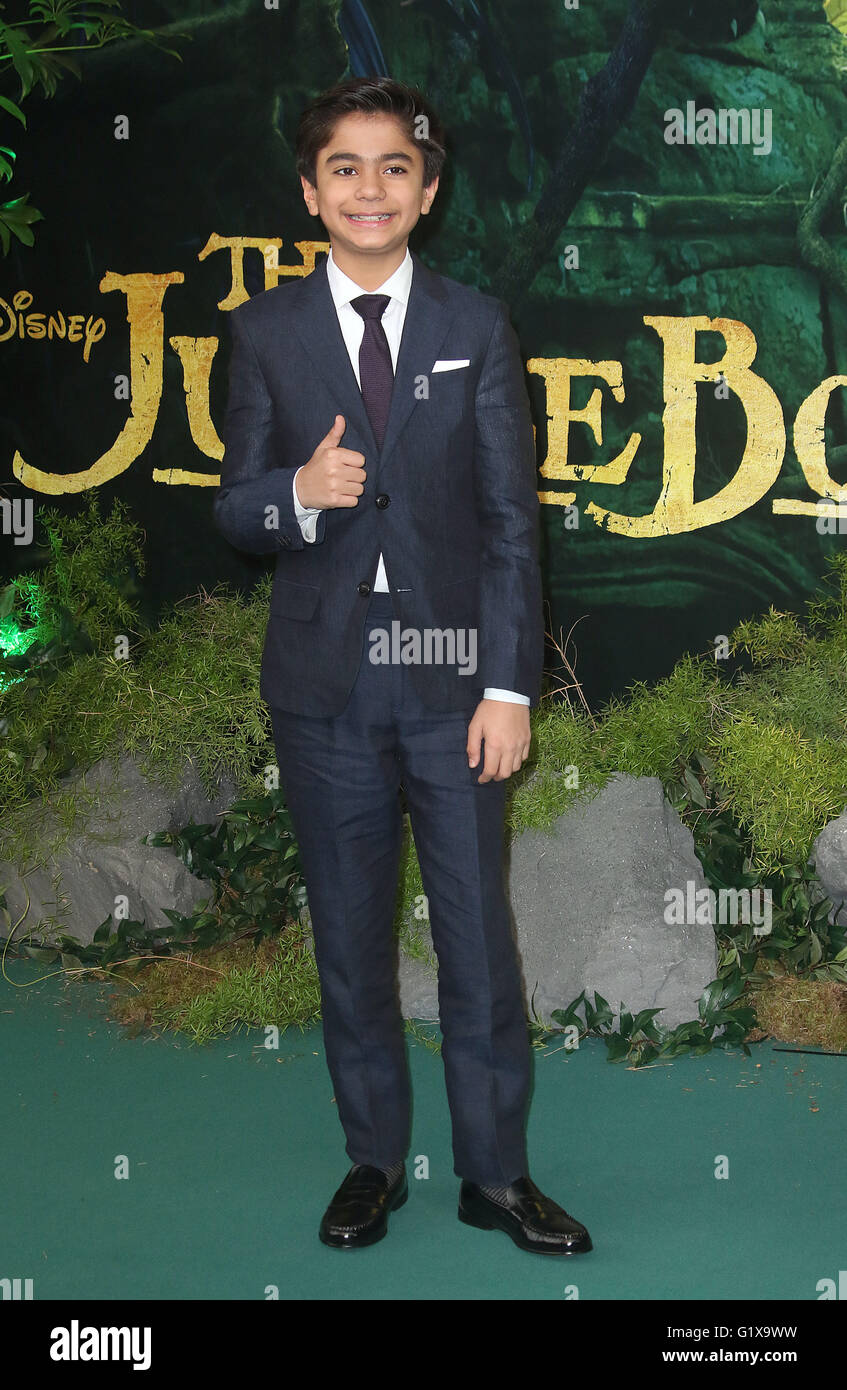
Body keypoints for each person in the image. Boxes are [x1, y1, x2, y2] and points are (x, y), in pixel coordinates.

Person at [213, 74, 592, 1258]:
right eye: (344, 168)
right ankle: (373, 1161)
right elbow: (234, 509)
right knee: (349, 938)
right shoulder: (263, 332)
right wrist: (294, 496)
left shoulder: (474, 326)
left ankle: (495, 1174)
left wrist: (509, 686)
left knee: (479, 939)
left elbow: (506, 522)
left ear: (425, 193)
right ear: (309, 191)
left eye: (393, 168)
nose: (367, 188)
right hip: (324, 691)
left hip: (450, 686)